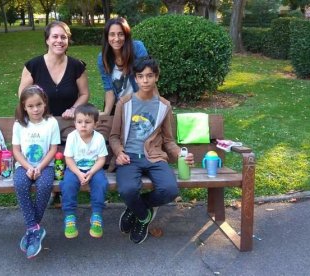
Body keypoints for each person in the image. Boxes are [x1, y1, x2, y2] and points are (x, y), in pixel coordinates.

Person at [109, 57, 194, 244]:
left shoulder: (163, 106)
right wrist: (119, 152)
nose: (145, 80)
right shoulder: (124, 103)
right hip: (129, 157)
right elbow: (114, 136)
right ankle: (144, 216)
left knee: (170, 190)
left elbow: (169, 140)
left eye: (149, 76)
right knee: (128, 190)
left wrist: (180, 153)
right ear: (135, 79)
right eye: (141, 76)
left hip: (154, 157)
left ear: (156, 77)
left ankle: (136, 210)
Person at [12, 85, 61, 259]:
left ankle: (32, 228)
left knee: (45, 184)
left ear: (45, 103)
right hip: (23, 166)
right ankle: (34, 228)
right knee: (20, 183)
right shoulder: (19, 124)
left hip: (45, 166)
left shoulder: (51, 123)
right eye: (31, 106)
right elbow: (16, 151)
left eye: (39, 105)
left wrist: (39, 168)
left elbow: (53, 149)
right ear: (24, 106)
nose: (35, 109)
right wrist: (28, 167)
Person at [18, 21, 89, 119]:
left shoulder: (77, 66)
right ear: (47, 40)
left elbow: (84, 94)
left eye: (63, 37)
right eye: (55, 36)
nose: (59, 40)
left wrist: (73, 109)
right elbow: (23, 96)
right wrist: (36, 112)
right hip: (40, 123)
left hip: (69, 123)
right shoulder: (33, 66)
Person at [60, 103, 109, 239]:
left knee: (101, 183)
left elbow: (101, 159)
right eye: (79, 122)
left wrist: (91, 172)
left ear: (95, 123)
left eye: (87, 122)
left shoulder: (98, 138)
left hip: (94, 169)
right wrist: (78, 173)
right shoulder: (72, 137)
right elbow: (68, 159)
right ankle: (70, 216)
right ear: (75, 123)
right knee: (68, 184)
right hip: (75, 169)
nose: (83, 125)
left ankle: (97, 214)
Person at [97, 17, 149, 115]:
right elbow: (109, 90)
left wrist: (155, 104)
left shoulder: (137, 48)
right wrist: (106, 113)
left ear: (126, 35)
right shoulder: (102, 58)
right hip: (117, 106)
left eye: (120, 34)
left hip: (138, 104)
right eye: (112, 34)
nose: (116, 39)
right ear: (107, 37)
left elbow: (147, 79)